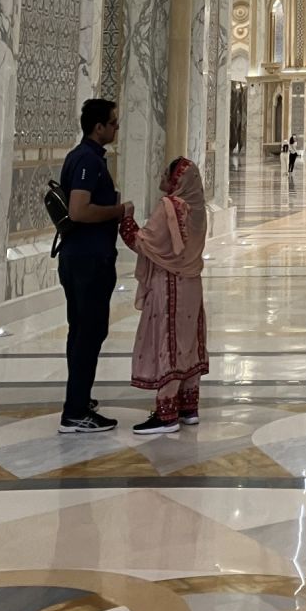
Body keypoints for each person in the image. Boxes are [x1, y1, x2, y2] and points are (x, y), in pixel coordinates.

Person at [57, 99, 133, 435]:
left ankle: (79, 399)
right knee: (88, 333)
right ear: (98, 127)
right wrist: (119, 211)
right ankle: (74, 413)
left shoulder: (82, 156)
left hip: (80, 257)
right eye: (113, 123)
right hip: (88, 260)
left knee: (82, 331)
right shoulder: (87, 160)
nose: (116, 128)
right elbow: (79, 210)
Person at [119, 157, 209, 435]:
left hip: (170, 284)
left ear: (177, 179)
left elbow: (144, 242)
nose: (162, 176)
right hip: (192, 283)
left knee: (169, 341)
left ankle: (166, 413)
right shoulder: (198, 208)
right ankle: (188, 406)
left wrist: (126, 220)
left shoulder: (170, 207)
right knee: (188, 341)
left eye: (167, 174)